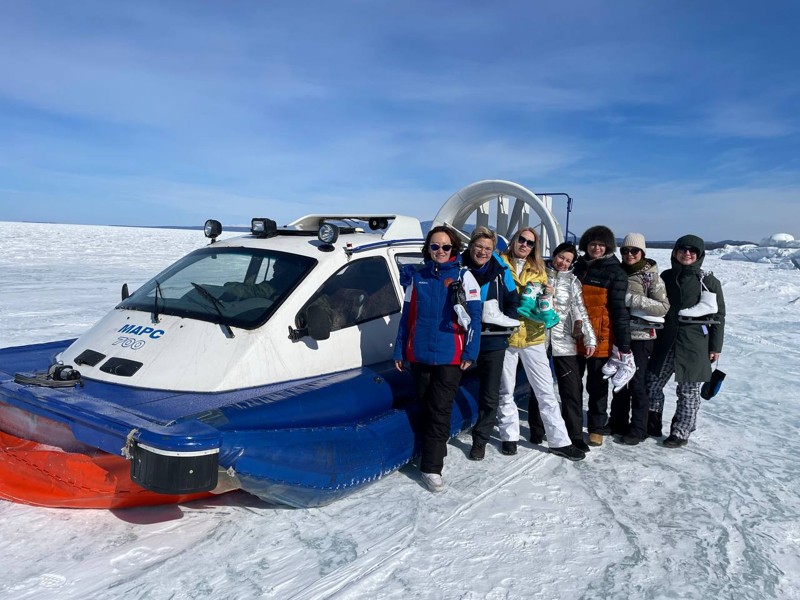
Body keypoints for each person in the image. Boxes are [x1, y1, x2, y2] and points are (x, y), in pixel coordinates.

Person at [393, 225, 482, 492]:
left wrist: (470, 351)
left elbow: (475, 318)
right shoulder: (417, 277)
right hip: (419, 354)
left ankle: (432, 468)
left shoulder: (464, 278)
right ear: (428, 249)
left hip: (449, 357)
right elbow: (407, 318)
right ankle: (425, 450)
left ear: (453, 249)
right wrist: (399, 349)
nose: (440, 251)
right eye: (435, 246)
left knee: (440, 410)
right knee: (423, 405)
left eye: (445, 247)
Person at [497, 228, 586, 461]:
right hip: (506, 335)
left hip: (533, 336)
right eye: (521, 240)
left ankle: (559, 441)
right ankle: (509, 436)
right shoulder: (499, 263)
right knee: (506, 389)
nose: (525, 245)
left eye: (530, 243)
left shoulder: (538, 269)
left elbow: (546, 303)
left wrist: (547, 296)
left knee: (545, 390)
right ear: (514, 240)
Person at [645, 235, 725, 447]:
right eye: (682, 249)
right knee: (652, 383)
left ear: (699, 255)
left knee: (688, 390)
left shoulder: (708, 281)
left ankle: (681, 431)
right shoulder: (666, 276)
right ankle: (651, 423)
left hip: (694, 343)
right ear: (675, 252)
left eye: (692, 250)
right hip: (666, 341)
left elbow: (719, 316)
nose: (687, 253)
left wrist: (715, 347)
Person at [461, 227, 521, 461]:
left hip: (492, 339)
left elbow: (513, 299)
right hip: (462, 337)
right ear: (471, 246)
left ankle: (481, 439)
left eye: (488, 248)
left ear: (493, 249)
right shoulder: (458, 265)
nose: (483, 252)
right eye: (479, 247)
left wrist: (504, 327)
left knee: (489, 392)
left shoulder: (501, 269)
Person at [573, 225, 632, 447]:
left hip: (600, 338)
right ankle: (574, 422)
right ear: (586, 245)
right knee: (572, 384)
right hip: (574, 336)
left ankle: (596, 427)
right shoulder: (577, 267)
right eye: (592, 244)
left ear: (607, 247)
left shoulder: (615, 271)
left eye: (601, 244)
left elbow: (619, 311)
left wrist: (624, 344)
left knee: (597, 386)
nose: (596, 248)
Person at [610, 233, 669, 445]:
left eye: (634, 251)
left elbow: (663, 307)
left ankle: (638, 428)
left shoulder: (651, 277)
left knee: (636, 382)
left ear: (642, 252)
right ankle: (617, 422)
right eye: (625, 250)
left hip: (642, 337)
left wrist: (634, 300)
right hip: (619, 335)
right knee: (619, 381)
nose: (629, 254)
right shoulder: (617, 272)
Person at [545, 242, 598, 453]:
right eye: (560, 258)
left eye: (568, 260)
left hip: (564, 340)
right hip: (539, 338)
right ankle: (538, 429)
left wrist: (589, 338)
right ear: (554, 255)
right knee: (540, 387)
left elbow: (580, 310)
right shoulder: (541, 274)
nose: (563, 263)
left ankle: (574, 434)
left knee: (572, 388)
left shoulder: (573, 282)